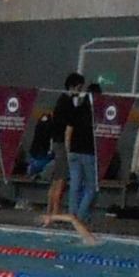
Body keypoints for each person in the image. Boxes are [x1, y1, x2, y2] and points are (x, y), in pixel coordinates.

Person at [52, 73, 99, 225]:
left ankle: (71, 214)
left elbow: (69, 130)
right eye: (79, 87)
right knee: (91, 187)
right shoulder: (96, 114)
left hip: (73, 151)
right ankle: (79, 216)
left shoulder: (77, 109)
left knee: (74, 185)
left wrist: (68, 149)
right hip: (87, 152)